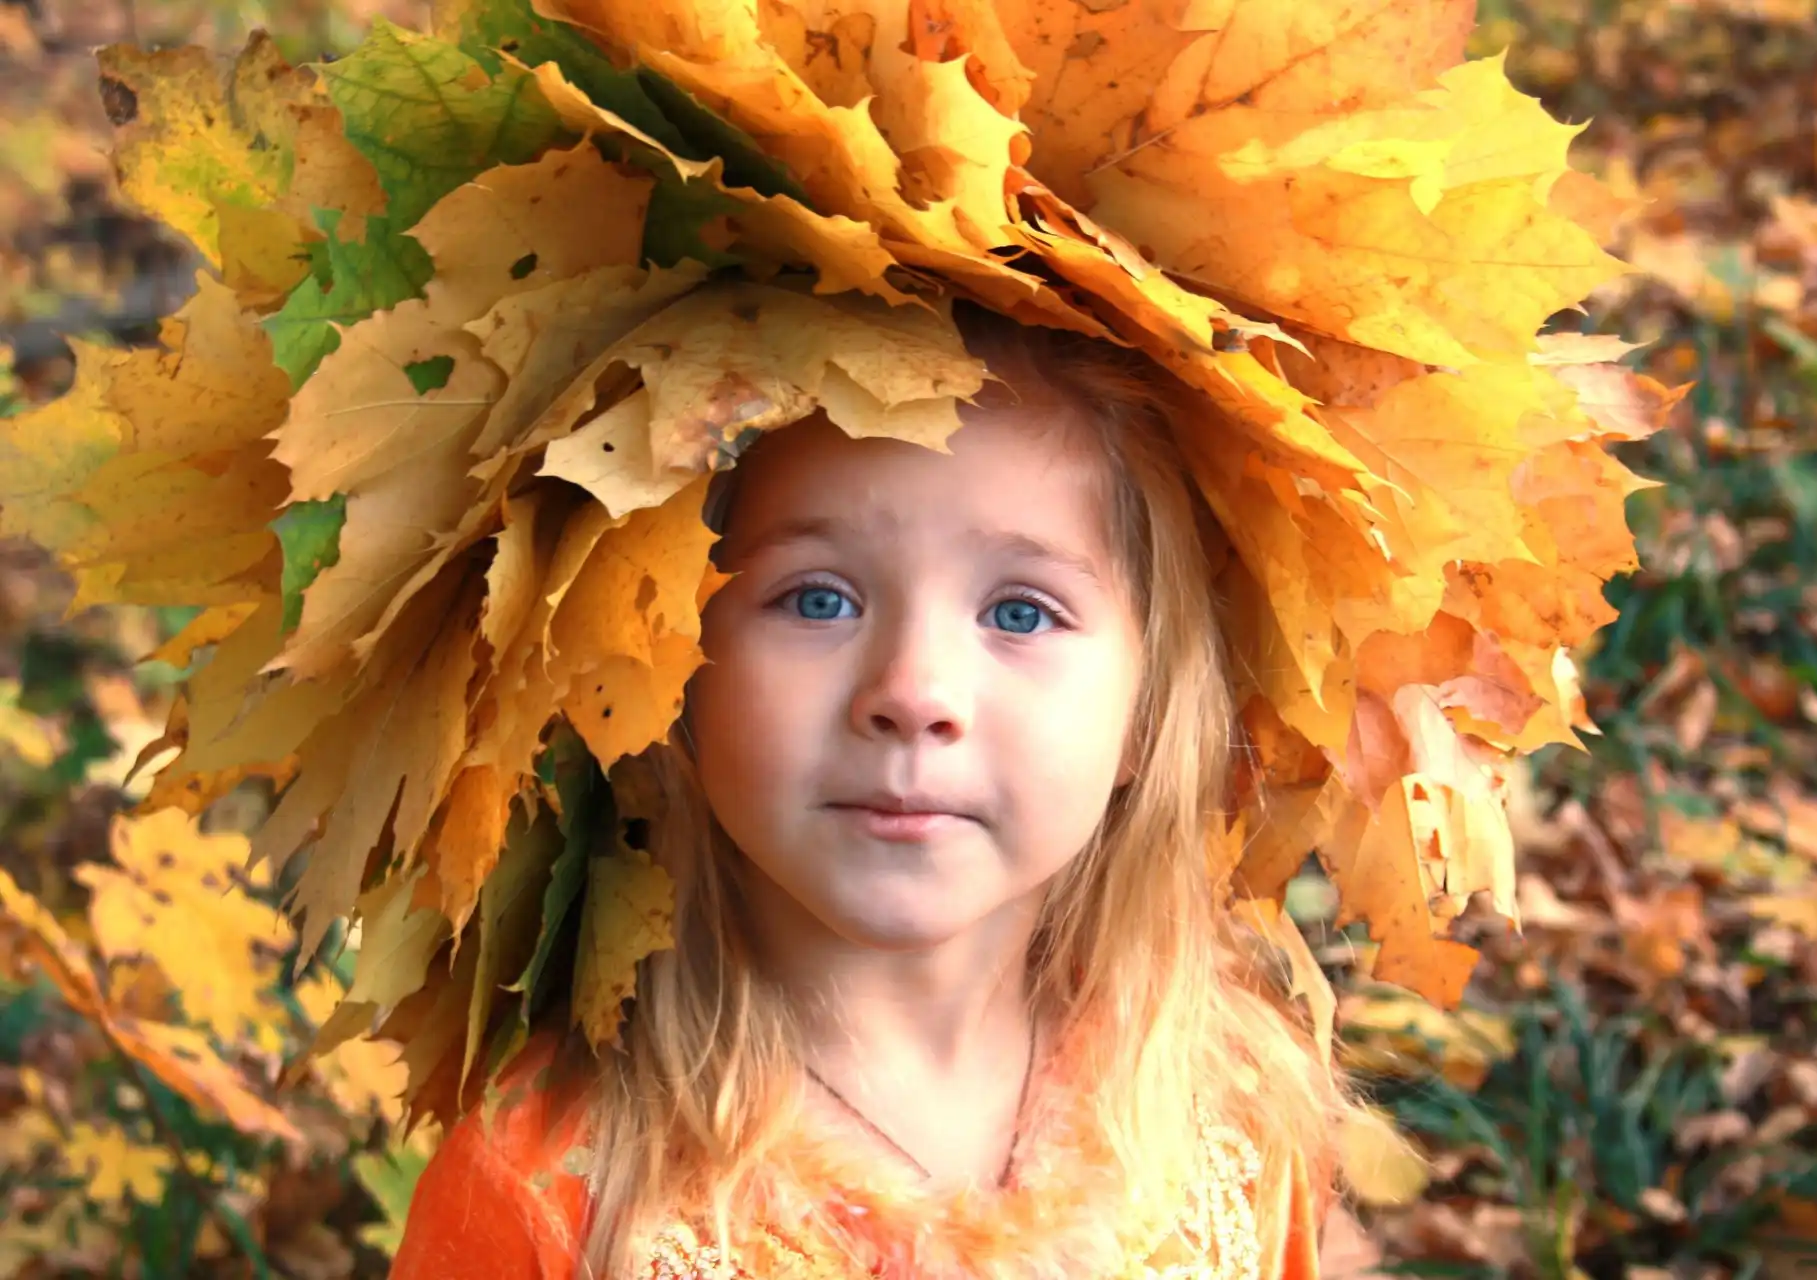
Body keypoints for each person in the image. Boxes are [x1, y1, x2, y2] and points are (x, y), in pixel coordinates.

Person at [389, 303, 1350, 1280]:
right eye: (818, 597)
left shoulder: (1221, 1126)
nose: (913, 691)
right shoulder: (559, 1193)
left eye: (1020, 610)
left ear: (1147, 710)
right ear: (672, 675)